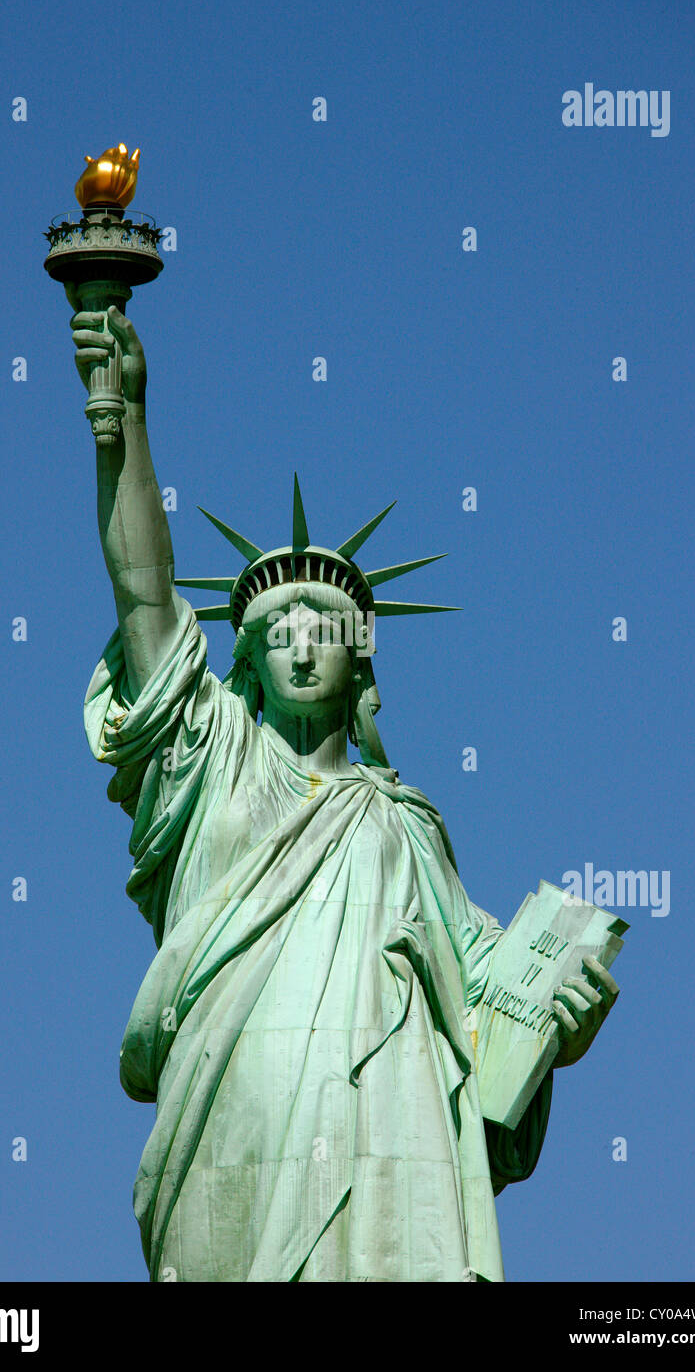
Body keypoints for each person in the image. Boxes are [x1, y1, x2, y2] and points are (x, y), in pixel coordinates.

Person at [71, 299, 619, 1282]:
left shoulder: (400, 822)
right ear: (246, 658)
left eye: (322, 624)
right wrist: (124, 420)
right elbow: (144, 595)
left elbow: (485, 988)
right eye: (276, 628)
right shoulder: (213, 755)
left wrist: (561, 1008)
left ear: (360, 666)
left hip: (388, 1121)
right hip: (233, 1106)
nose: (299, 640)